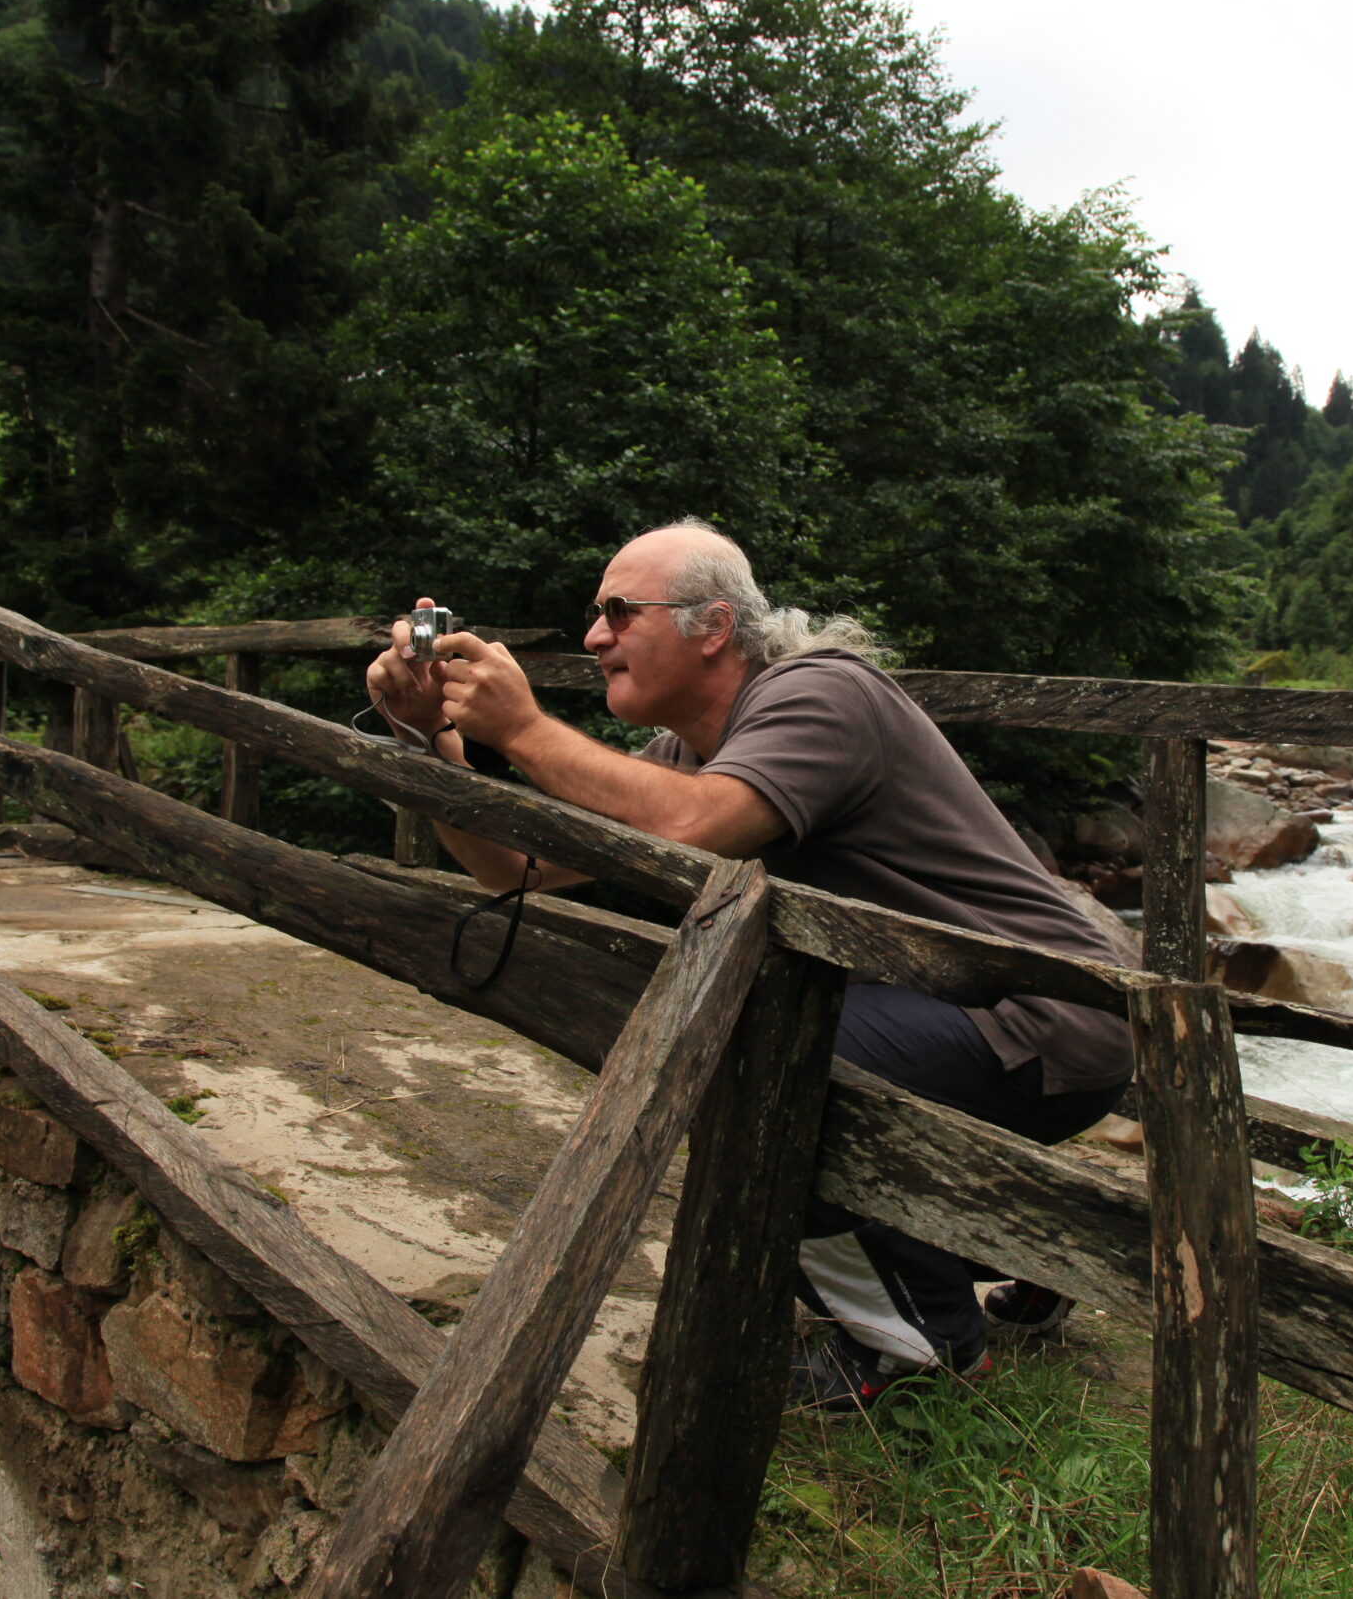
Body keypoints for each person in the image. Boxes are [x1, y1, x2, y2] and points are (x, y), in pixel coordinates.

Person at [363, 518, 1133, 1409]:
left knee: (740, 1058)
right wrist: (434, 746)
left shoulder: (821, 696)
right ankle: (1038, 1242)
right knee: (756, 1051)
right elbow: (516, 869)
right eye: (595, 613)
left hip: (1045, 1019)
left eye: (618, 611)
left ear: (715, 627)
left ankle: (921, 1346)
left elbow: (695, 825)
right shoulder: (692, 749)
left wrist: (526, 728)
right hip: (971, 1016)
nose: (594, 635)